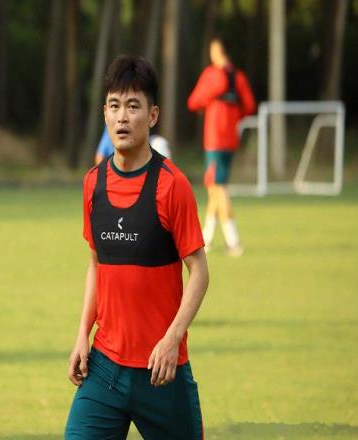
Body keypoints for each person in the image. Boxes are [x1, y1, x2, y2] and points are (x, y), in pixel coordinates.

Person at [65, 55, 209, 440]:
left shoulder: (172, 186)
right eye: (114, 106)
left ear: (153, 115)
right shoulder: (92, 184)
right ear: (104, 114)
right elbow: (96, 266)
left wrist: (172, 339)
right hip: (104, 369)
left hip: (161, 371)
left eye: (133, 106)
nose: (122, 117)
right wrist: (82, 334)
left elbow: (199, 271)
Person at [187, 35, 256, 256]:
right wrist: (233, 115)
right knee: (214, 188)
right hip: (230, 139)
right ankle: (206, 239)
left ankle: (233, 242)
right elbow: (249, 106)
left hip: (215, 139)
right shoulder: (239, 77)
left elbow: (194, 101)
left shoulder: (212, 75)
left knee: (218, 188)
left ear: (218, 50)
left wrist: (211, 102)